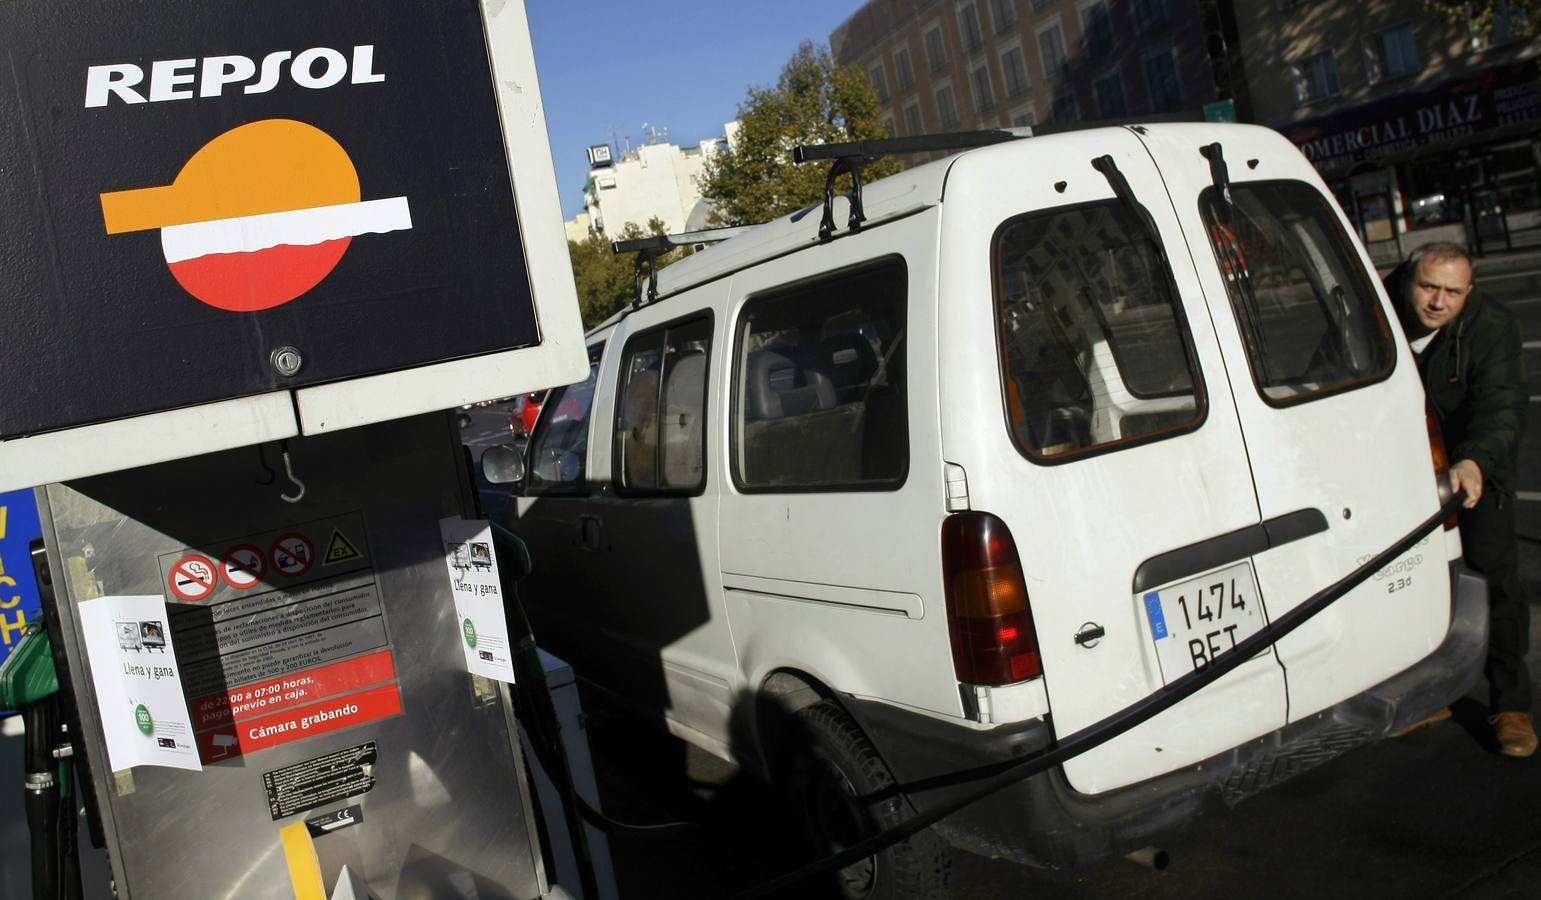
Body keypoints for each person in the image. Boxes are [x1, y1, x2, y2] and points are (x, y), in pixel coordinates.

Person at [1386, 242, 1534, 757]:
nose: (1437, 301)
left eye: (1451, 291)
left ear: (1468, 291)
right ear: (1408, 279)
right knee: (1414, 583)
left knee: (1494, 577)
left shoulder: (1491, 327)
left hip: (1476, 467)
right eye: (1428, 286)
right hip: (1407, 467)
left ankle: (1511, 703)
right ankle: (1433, 692)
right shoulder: (1373, 307)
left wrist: (1473, 461)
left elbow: (1503, 405)